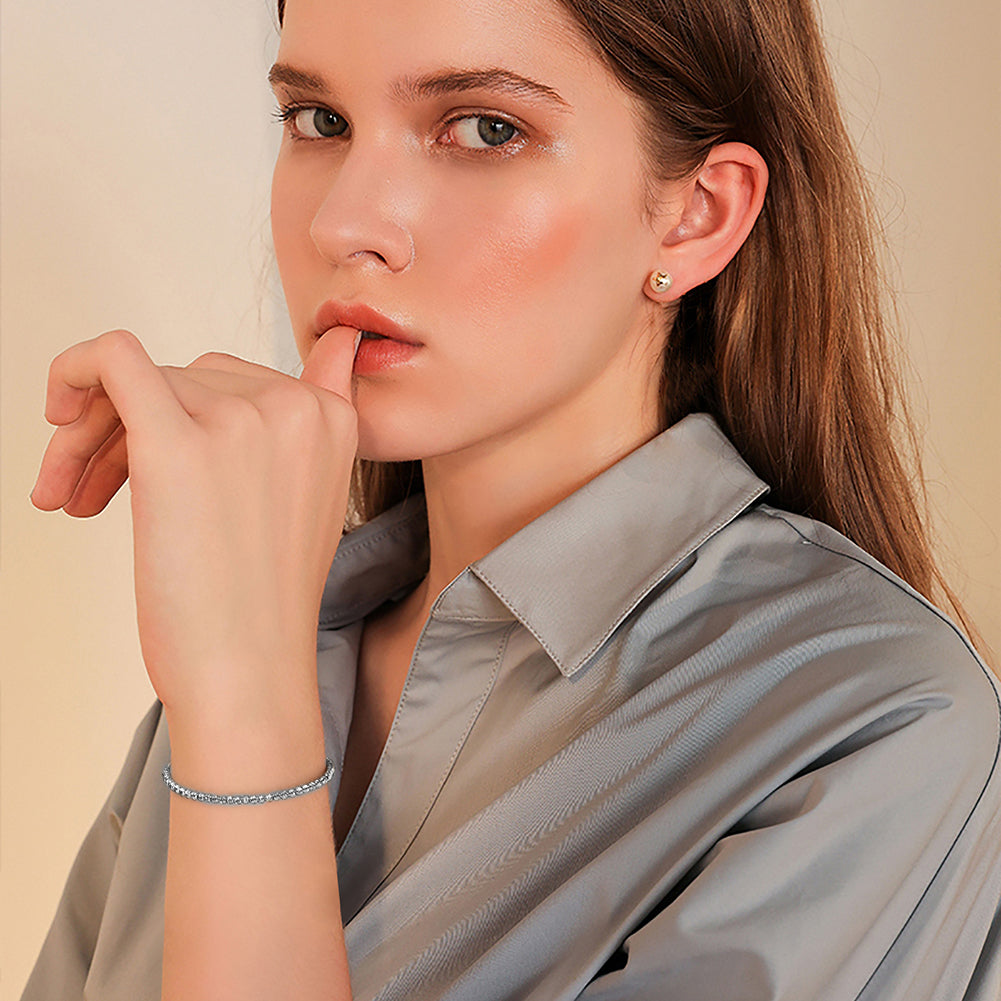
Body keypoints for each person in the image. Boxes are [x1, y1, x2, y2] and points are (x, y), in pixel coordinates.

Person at [20, 0, 1001, 997]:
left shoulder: (870, 722)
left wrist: (247, 722)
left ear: (697, 212)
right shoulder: (267, 639)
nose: (344, 223)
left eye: (486, 129)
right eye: (317, 120)